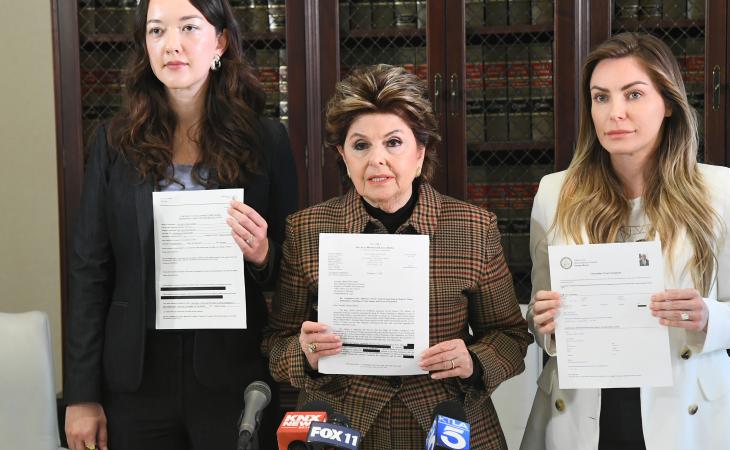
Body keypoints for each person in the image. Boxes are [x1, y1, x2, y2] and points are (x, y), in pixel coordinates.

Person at [63, 0, 297, 449]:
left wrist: (264, 254)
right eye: (156, 31)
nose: (172, 44)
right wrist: (81, 396)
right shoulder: (114, 142)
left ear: (221, 42)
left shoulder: (266, 140)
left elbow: (294, 270)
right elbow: (89, 271)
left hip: (233, 374)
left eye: (189, 27)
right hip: (135, 374)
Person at [263, 65, 533, 449]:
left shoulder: (473, 227)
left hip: (445, 425)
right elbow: (276, 343)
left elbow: (510, 336)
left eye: (393, 142)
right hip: (342, 426)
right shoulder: (308, 230)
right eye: (361, 146)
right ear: (342, 155)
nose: (377, 160)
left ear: (420, 153)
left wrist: (474, 361)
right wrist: (303, 354)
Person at [520, 33, 730, 450]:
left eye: (633, 94)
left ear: (667, 103)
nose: (615, 113)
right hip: (582, 410)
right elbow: (543, 314)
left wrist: (706, 315)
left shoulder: (719, 190)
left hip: (688, 412)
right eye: (601, 98)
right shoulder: (554, 194)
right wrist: (543, 323)